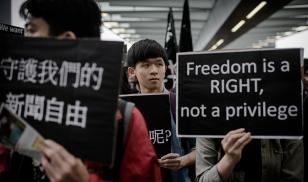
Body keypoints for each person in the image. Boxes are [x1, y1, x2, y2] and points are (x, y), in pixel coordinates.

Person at [0, 0, 161, 181]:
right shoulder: (14, 109)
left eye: (31, 30)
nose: (23, 40)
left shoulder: (124, 120)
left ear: (66, 41)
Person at [126, 39, 196, 182]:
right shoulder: (127, 109)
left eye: (159, 64)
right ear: (132, 72)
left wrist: (183, 161)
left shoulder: (181, 104)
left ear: (165, 68)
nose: (154, 71)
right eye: (146, 65)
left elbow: (201, 149)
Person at [196, 127, 304, 182]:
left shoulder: (285, 115)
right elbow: (203, 179)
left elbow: (293, 178)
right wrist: (229, 160)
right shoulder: (209, 117)